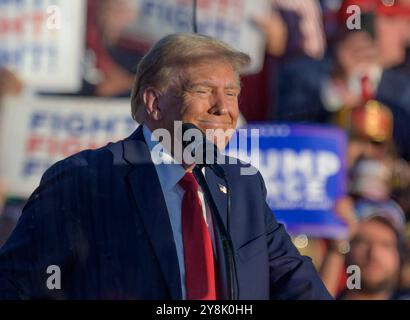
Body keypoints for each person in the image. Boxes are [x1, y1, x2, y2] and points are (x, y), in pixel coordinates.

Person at [0, 33, 331, 300]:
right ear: (154, 103)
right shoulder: (85, 180)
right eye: (204, 91)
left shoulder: (243, 185)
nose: (223, 109)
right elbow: (15, 285)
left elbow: (295, 281)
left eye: (231, 93)